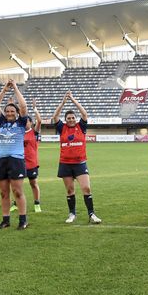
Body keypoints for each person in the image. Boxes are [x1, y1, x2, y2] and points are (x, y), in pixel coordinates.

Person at [52, 91, 102, 224]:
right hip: (65, 164)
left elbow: (84, 114)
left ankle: (91, 214)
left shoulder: (81, 126)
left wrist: (73, 100)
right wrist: (63, 102)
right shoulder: (62, 128)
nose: (71, 120)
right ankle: (72, 213)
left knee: (86, 188)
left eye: (73, 117)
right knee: (70, 190)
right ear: (65, 120)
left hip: (80, 163)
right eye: (68, 118)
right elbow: (55, 116)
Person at [0, 80, 30, 230]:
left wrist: (14, 87)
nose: (9, 113)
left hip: (16, 160)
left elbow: (24, 106)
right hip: (1, 159)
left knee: (17, 191)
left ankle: (23, 220)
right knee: (3, 192)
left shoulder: (21, 122)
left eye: (12, 111)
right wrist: (4, 90)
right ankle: (5, 219)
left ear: (17, 113)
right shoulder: (1, 122)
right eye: (7, 111)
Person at [23, 99, 43, 213]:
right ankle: (15, 203)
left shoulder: (33, 133)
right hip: (19, 162)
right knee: (17, 184)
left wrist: (35, 109)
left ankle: (37, 204)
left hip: (31, 163)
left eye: (27, 121)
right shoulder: (19, 132)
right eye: (24, 121)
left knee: (33, 183)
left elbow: (39, 121)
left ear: (30, 123)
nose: (26, 123)